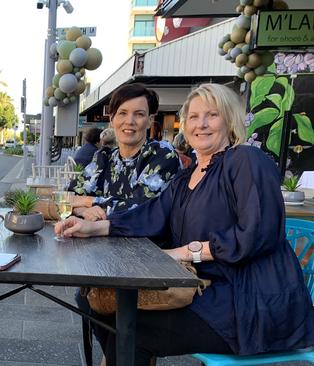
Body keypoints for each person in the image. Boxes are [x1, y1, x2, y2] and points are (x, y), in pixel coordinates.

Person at [57, 83, 314, 366]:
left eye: (212, 115)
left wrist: (184, 252)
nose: (201, 124)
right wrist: (94, 227)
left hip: (249, 301)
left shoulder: (246, 161)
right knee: (100, 307)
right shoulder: (188, 176)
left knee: (132, 331)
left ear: (229, 120)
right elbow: (151, 215)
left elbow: (255, 234)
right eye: (193, 117)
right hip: (203, 289)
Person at [70, 83, 180, 221]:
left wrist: (87, 201)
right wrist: (81, 210)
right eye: (122, 113)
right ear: (112, 119)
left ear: (150, 121)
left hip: (145, 242)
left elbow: (140, 207)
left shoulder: (162, 155)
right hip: (99, 240)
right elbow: (70, 196)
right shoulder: (104, 158)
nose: (129, 121)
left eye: (139, 114)